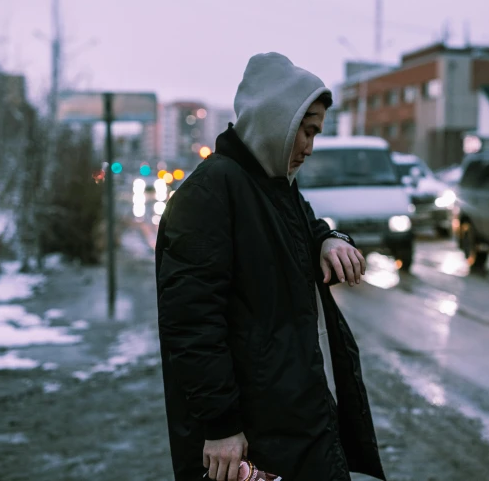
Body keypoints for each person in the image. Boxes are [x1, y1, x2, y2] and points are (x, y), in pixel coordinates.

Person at [156, 52, 386, 481]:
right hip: (254, 436)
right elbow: (190, 323)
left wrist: (327, 239)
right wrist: (221, 425)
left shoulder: (274, 186)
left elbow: (302, 225)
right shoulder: (210, 193)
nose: (310, 147)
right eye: (307, 130)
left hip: (295, 418)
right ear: (277, 118)